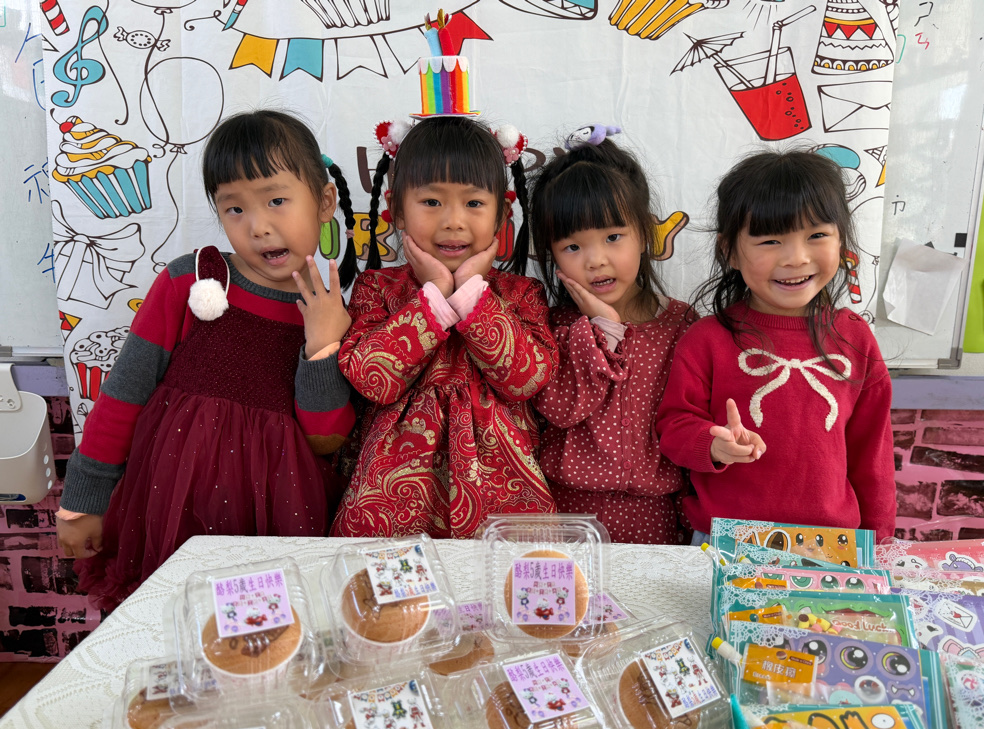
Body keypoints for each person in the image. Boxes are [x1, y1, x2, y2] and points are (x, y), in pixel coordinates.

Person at [56, 110, 357, 610]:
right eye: (234, 209)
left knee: (264, 631)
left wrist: (321, 344)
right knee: (170, 621)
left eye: (277, 200)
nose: (258, 226)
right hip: (169, 507)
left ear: (324, 202)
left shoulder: (335, 309)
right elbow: (123, 395)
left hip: (272, 515)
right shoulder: (192, 280)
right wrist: (82, 500)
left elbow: (324, 437)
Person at [326, 116, 556, 538]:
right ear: (396, 209)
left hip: (501, 498)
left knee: (504, 578)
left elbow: (525, 378)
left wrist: (470, 293)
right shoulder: (377, 288)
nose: (453, 221)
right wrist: (434, 295)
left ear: (502, 214)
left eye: (474, 203)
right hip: (390, 500)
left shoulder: (522, 294)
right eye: (432, 202)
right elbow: (373, 379)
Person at [656, 150, 896, 543]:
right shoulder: (706, 339)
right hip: (727, 540)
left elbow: (873, 456)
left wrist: (879, 544)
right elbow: (674, 427)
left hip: (832, 545)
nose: (796, 258)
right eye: (770, 240)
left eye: (817, 236)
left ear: (841, 239)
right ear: (729, 251)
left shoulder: (856, 338)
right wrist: (714, 444)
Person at [529, 128, 697, 544]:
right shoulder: (554, 326)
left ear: (644, 233)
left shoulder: (681, 325)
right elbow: (561, 409)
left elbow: (690, 426)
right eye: (572, 246)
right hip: (565, 515)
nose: (596, 260)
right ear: (551, 252)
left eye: (613, 237)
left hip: (655, 518)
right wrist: (602, 327)